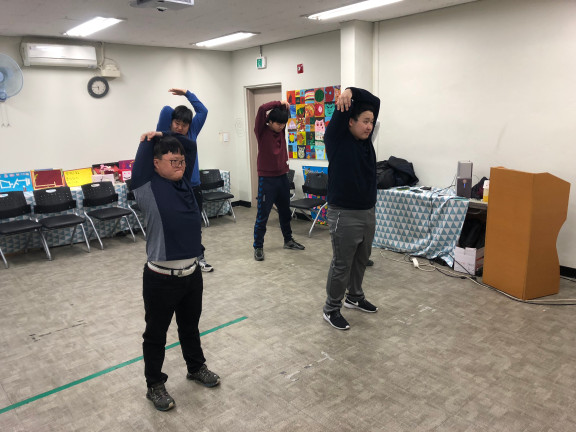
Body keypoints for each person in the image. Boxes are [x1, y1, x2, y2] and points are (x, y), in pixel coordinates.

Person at [132, 131, 220, 412]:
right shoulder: (147, 189)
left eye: (182, 162)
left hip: (191, 275)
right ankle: (154, 384)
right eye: (173, 161)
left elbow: (190, 147)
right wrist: (149, 140)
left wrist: (170, 136)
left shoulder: (184, 185)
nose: (180, 166)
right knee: (155, 334)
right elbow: (140, 167)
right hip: (160, 278)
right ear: (156, 163)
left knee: (190, 327)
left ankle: (196, 367)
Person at [322, 87, 380, 330]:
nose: (369, 126)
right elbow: (343, 114)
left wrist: (353, 91)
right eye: (365, 121)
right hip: (343, 213)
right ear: (350, 121)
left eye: (372, 122)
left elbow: (375, 101)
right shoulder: (336, 139)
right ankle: (331, 308)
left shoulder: (366, 142)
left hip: (367, 211)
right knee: (342, 263)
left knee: (361, 260)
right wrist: (348, 93)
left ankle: (354, 297)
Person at [156, 88, 214, 272]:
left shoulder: (192, 132)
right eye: (177, 123)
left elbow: (203, 111)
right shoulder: (165, 136)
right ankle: (178, 256)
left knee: (195, 224)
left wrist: (187, 93)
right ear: (171, 122)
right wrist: (174, 115)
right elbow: (166, 110)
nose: (180, 127)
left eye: (184, 124)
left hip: (193, 187)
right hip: (171, 187)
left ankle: (199, 257)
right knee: (175, 224)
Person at [252, 100, 305, 261]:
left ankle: (288, 240)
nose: (281, 127)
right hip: (267, 179)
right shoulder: (261, 131)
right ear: (269, 121)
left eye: (283, 124)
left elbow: (283, 113)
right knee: (263, 215)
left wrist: (284, 106)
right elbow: (262, 108)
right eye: (278, 124)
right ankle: (258, 246)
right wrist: (279, 102)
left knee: (285, 212)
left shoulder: (281, 131)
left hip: (282, 177)